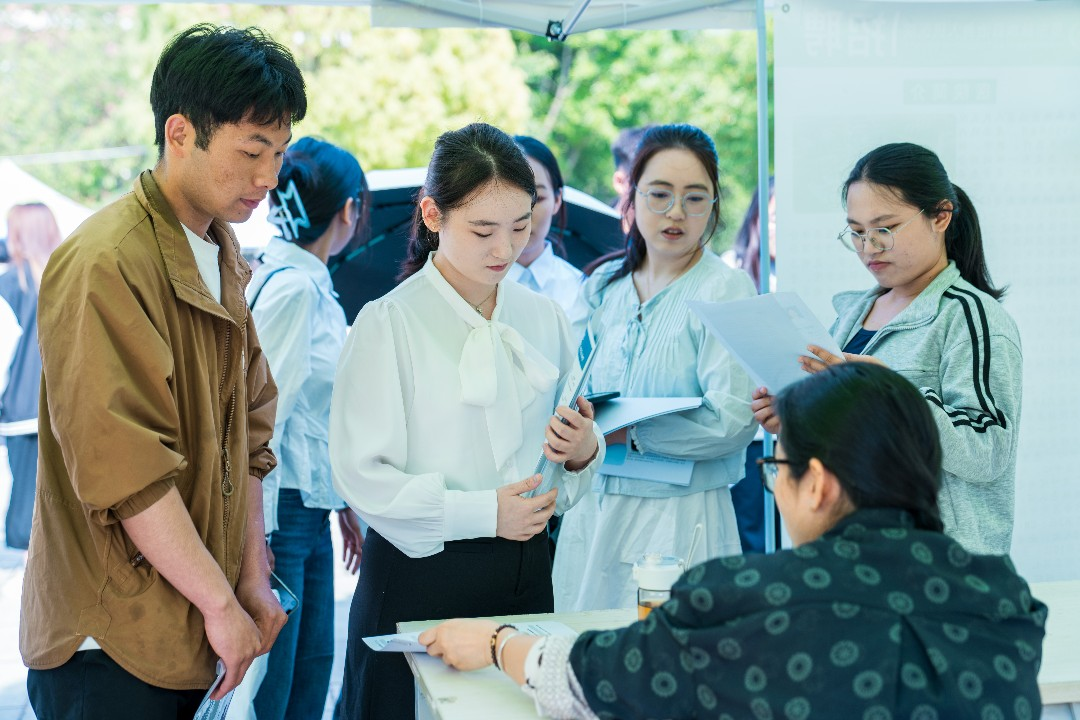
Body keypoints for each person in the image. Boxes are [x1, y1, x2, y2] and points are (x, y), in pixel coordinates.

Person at [420, 363, 1047, 720]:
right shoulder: (1001, 597)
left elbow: (597, 683)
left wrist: (498, 641)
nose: (773, 487)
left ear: (819, 485)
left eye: (778, 469)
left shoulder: (749, 597)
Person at [20, 23, 306, 719]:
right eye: (252, 151)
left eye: (280, 152)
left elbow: (250, 438)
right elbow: (127, 468)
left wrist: (251, 581)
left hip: (192, 631)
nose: (269, 178)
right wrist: (220, 600)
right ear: (180, 133)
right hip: (109, 644)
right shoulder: (106, 259)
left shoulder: (222, 254)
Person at [329, 122, 605, 720]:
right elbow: (362, 478)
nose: (504, 250)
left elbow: (565, 468)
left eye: (521, 227)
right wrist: (484, 512)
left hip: (527, 576)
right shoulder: (387, 323)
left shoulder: (546, 318)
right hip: (421, 576)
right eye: (483, 230)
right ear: (432, 215)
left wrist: (584, 449)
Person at [751, 142, 1021, 555]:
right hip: (855, 552)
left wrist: (892, 390)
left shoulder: (970, 319)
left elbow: (987, 454)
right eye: (856, 232)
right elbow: (856, 436)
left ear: (941, 216)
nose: (868, 247)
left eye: (884, 229)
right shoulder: (850, 315)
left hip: (939, 564)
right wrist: (792, 414)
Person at [551, 124, 757, 613]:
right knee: (579, 662)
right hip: (594, 513)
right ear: (632, 195)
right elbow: (566, 390)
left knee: (670, 669)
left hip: (680, 520)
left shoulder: (726, 290)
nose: (676, 213)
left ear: (714, 205)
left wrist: (617, 434)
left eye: (695, 197)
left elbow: (730, 420)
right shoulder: (602, 286)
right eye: (660, 194)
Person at [247, 137, 367, 720]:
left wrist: (340, 500)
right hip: (282, 515)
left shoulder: (306, 283)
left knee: (309, 672)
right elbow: (261, 421)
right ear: (348, 210)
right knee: (279, 685)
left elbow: (309, 420)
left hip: (305, 508)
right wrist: (259, 535)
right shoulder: (294, 290)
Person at [0, 203, 62, 549]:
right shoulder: (71, 277)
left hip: (23, 412)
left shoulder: (8, 285)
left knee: (25, 517)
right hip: (68, 408)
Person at [722, 179, 776, 554]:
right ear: (756, 217)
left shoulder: (794, 272)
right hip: (745, 428)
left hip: (785, 426)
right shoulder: (731, 270)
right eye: (773, 217)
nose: (779, 227)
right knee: (748, 529)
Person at [507, 135, 589, 343]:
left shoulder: (581, 290)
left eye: (538, 198)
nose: (524, 212)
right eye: (509, 196)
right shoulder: (467, 282)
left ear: (557, 200)